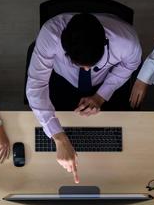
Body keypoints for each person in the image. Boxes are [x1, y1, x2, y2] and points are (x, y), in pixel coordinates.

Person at [26, 13, 141, 183]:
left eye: (91, 64)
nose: (86, 69)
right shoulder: (50, 34)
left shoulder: (127, 42)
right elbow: (36, 86)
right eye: (80, 64)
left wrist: (101, 95)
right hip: (60, 79)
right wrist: (59, 137)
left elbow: (131, 64)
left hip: (103, 82)